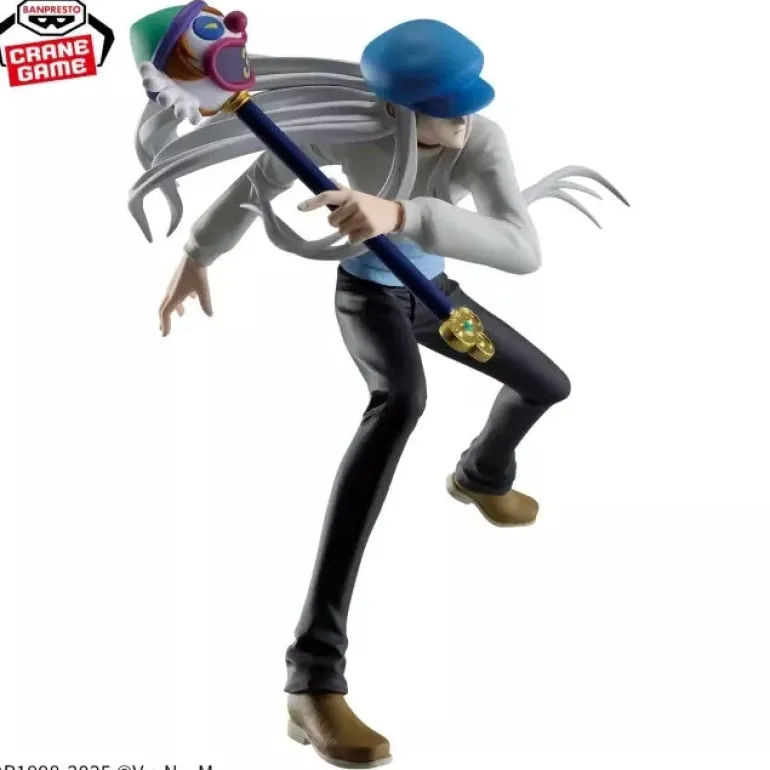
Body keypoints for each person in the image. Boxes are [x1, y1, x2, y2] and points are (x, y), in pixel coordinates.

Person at [130, 9, 627, 767]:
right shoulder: (352, 129)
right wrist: (198, 252)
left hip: (436, 297)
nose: (461, 120)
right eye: (443, 108)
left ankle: (480, 474)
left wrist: (402, 214)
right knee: (400, 403)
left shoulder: (480, 138)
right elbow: (259, 179)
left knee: (545, 383)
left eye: (467, 103)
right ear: (396, 108)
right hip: (369, 295)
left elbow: (523, 249)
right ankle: (311, 681)